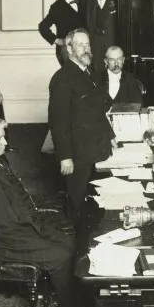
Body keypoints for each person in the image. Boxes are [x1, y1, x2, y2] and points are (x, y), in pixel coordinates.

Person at [0, 116, 103, 307]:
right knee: (60, 255)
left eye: (3, 136)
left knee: (72, 243)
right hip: (3, 239)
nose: (5, 142)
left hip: (23, 224)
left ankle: (76, 296)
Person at [48, 29, 113, 233]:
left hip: (95, 151)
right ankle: (81, 250)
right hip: (77, 156)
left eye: (87, 45)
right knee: (78, 205)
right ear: (69, 49)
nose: (86, 50)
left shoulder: (89, 73)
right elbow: (58, 121)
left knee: (94, 202)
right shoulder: (62, 78)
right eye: (80, 45)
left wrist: (110, 137)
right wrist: (65, 156)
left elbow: (97, 112)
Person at [39, 0, 85, 66]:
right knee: (70, 77)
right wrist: (58, 40)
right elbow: (42, 27)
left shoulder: (83, 1)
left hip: (83, 47)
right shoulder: (56, 7)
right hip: (66, 50)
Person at [84, 0, 117, 68]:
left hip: (112, 41)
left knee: (113, 68)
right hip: (96, 43)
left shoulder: (116, 0)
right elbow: (88, 23)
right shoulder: (90, 2)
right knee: (97, 70)